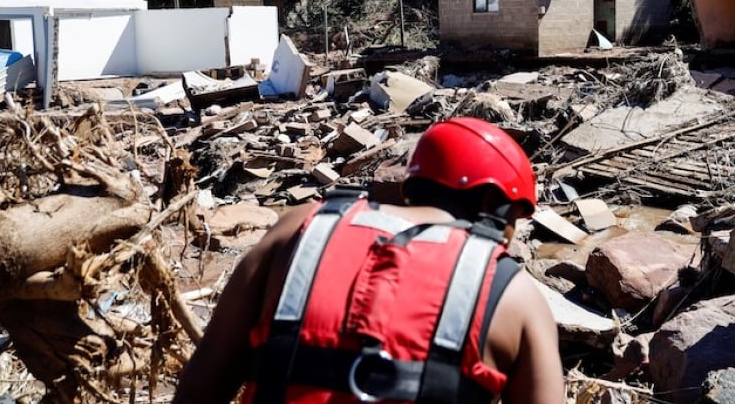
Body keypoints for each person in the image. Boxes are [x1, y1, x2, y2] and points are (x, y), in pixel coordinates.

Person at [174, 117, 564, 403]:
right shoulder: (514, 295)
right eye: (514, 220)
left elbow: (199, 389)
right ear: (489, 203)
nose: (510, 241)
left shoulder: (297, 228)